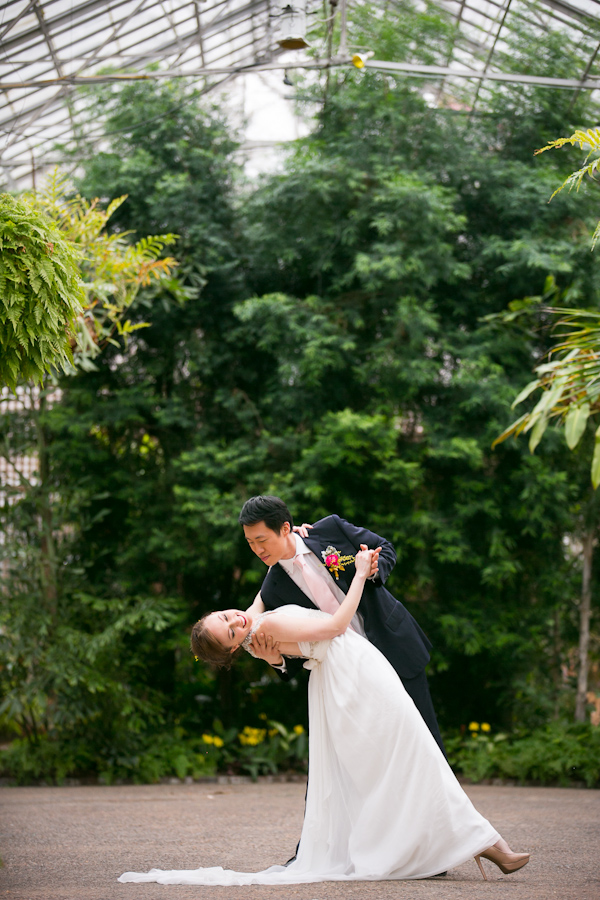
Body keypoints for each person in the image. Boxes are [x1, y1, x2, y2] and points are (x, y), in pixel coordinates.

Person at [119, 548, 530, 886]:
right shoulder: (270, 625)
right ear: (230, 650)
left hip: (347, 678)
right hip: (355, 675)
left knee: (406, 760)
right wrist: (360, 574)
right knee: (415, 755)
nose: (234, 619)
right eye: (228, 629)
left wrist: (268, 649)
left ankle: (475, 845)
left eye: (225, 614)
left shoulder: (255, 632)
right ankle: (487, 846)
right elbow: (335, 626)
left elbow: (257, 616)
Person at [239, 495, 445, 755]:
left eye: (261, 540)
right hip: (349, 676)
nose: (257, 549)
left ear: (284, 528)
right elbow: (299, 650)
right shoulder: (273, 590)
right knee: (377, 753)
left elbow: (385, 548)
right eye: (250, 543)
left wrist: (373, 569)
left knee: (426, 740)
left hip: (393, 644)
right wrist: (276, 661)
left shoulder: (329, 530)